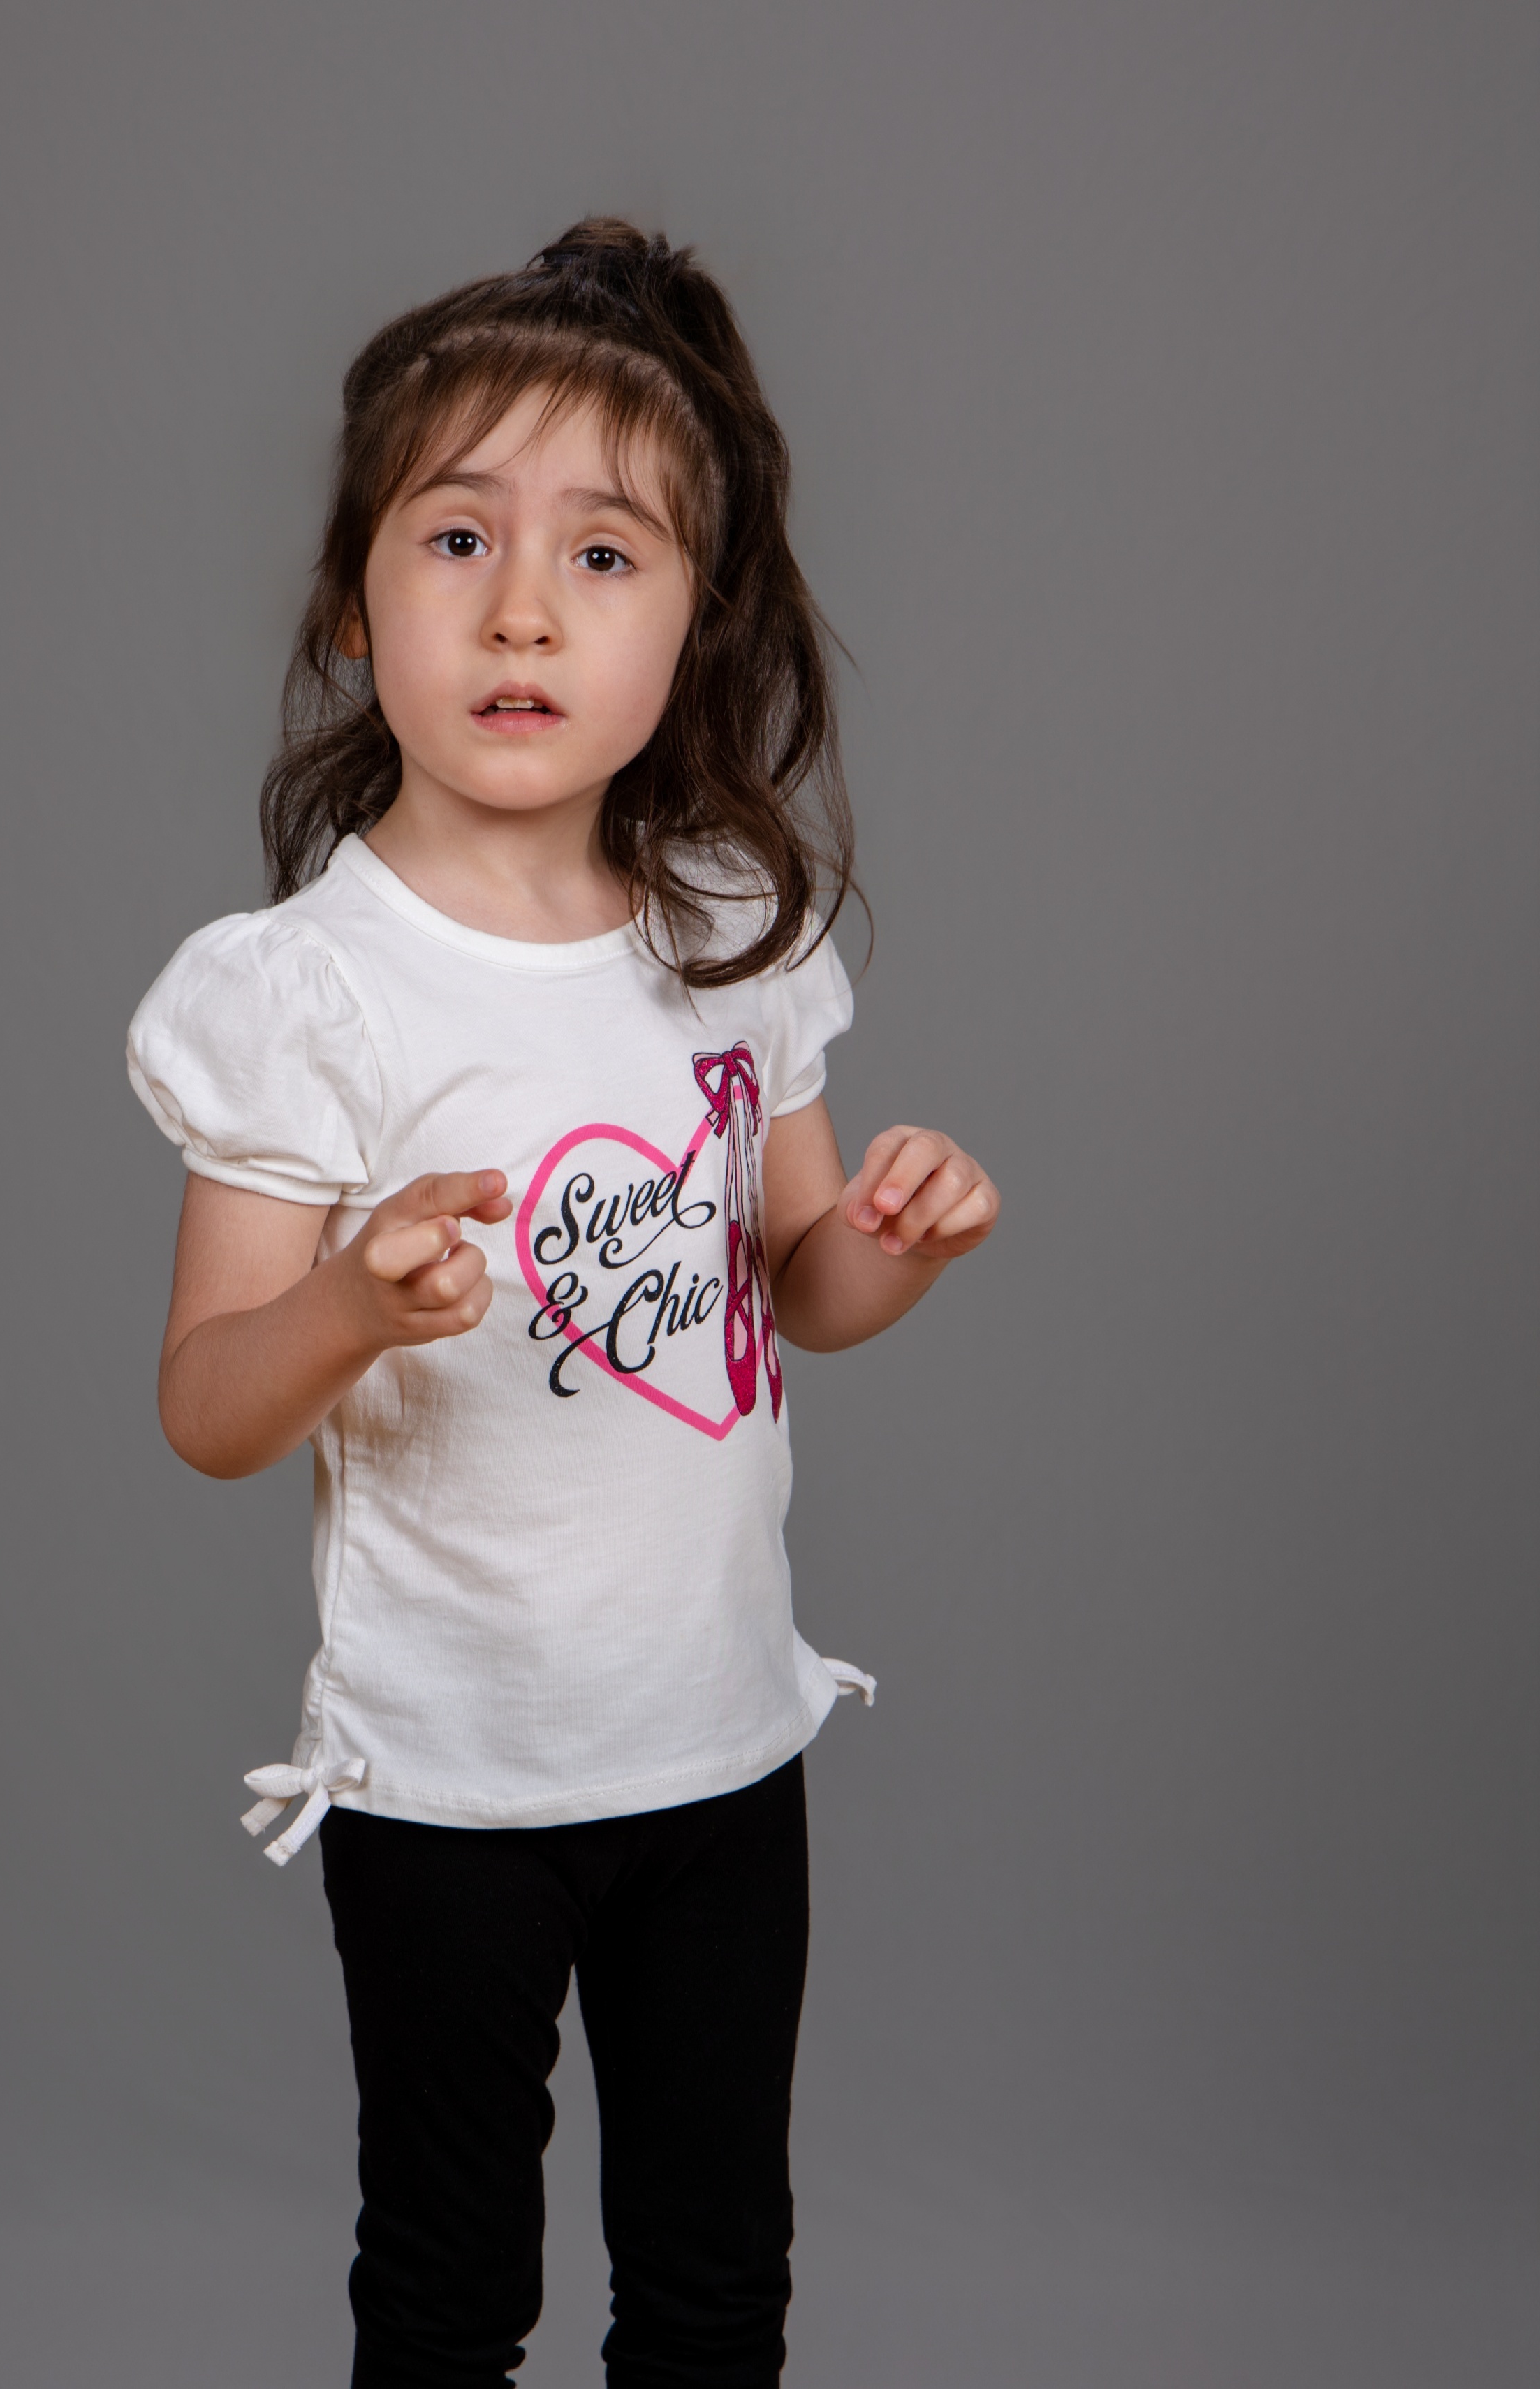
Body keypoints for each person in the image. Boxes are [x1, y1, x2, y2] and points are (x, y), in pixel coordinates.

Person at [126, 220, 999, 2389]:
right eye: (458, 539)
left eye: (604, 556)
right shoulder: (304, 992)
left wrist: (893, 1238)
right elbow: (209, 1403)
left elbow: (793, 1282)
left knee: (716, 2283)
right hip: (447, 1780)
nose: (523, 607)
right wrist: (347, 1304)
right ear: (355, 603)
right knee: (448, 2293)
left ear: (694, 622)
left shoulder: (729, 924)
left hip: (720, 1744)